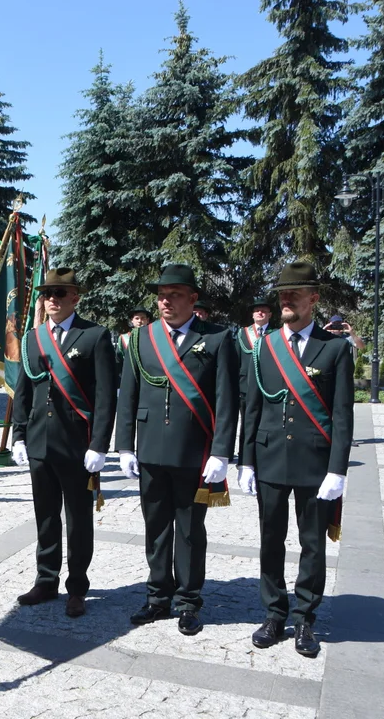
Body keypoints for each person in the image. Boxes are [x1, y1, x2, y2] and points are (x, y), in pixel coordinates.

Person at [238, 262, 353, 658]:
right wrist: (246, 460)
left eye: (295, 293)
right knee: (270, 539)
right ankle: (274, 612)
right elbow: (251, 408)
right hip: (270, 457)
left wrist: (337, 469)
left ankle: (305, 617)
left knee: (312, 545)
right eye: (282, 294)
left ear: (313, 299)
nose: (285, 300)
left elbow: (342, 414)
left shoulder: (334, 348)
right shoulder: (264, 347)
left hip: (313, 462)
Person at [116, 264, 238, 636]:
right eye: (161, 295)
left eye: (174, 295)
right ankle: (157, 597)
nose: (165, 302)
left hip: (194, 452)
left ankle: (188, 601)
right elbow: (129, 394)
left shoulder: (217, 338)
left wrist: (221, 452)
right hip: (150, 449)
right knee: (155, 528)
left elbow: (226, 399)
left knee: (188, 530)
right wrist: (124, 446)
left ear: (193, 298)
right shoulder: (141, 339)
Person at [12, 268, 116, 618]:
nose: (52, 299)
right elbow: (23, 391)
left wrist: (99, 444)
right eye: (47, 293)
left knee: (78, 518)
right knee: (45, 516)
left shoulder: (94, 336)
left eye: (60, 293)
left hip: (76, 445)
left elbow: (105, 397)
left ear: (76, 297)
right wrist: (18, 435)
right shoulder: (33, 338)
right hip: (40, 443)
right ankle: (46, 580)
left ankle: (77, 587)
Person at [236, 298, 275, 460]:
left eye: (264, 310)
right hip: (245, 387)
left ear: (270, 315)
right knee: (246, 422)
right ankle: (245, 455)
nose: (260, 313)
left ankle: (264, 454)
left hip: (267, 387)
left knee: (265, 422)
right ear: (252, 314)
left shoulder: (276, 335)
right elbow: (236, 360)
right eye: (257, 310)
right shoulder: (242, 334)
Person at [116, 307, 152, 385]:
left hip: (149, 379)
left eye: (143, 318)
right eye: (137, 318)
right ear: (132, 320)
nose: (140, 321)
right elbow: (119, 361)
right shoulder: (124, 339)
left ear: (147, 320)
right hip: (130, 378)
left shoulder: (153, 337)